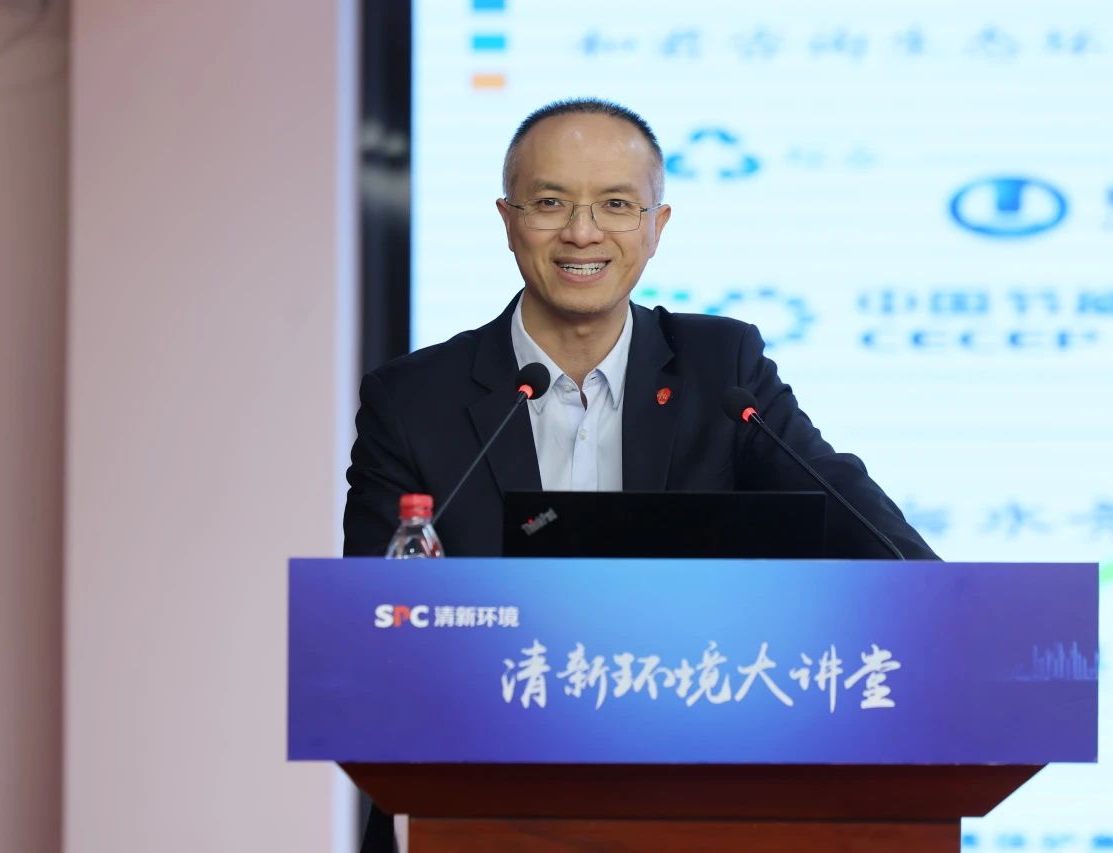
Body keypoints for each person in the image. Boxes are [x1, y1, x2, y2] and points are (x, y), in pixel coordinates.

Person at [344, 98, 937, 852]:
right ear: (508, 220)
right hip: (472, 806)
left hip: (693, 806)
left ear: (657, 226)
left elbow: (867, 533)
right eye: (550, 203)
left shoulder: (721, 370)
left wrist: (955, 616)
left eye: (617, 205)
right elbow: (372, 624)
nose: (582, 232)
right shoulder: (413, 399)